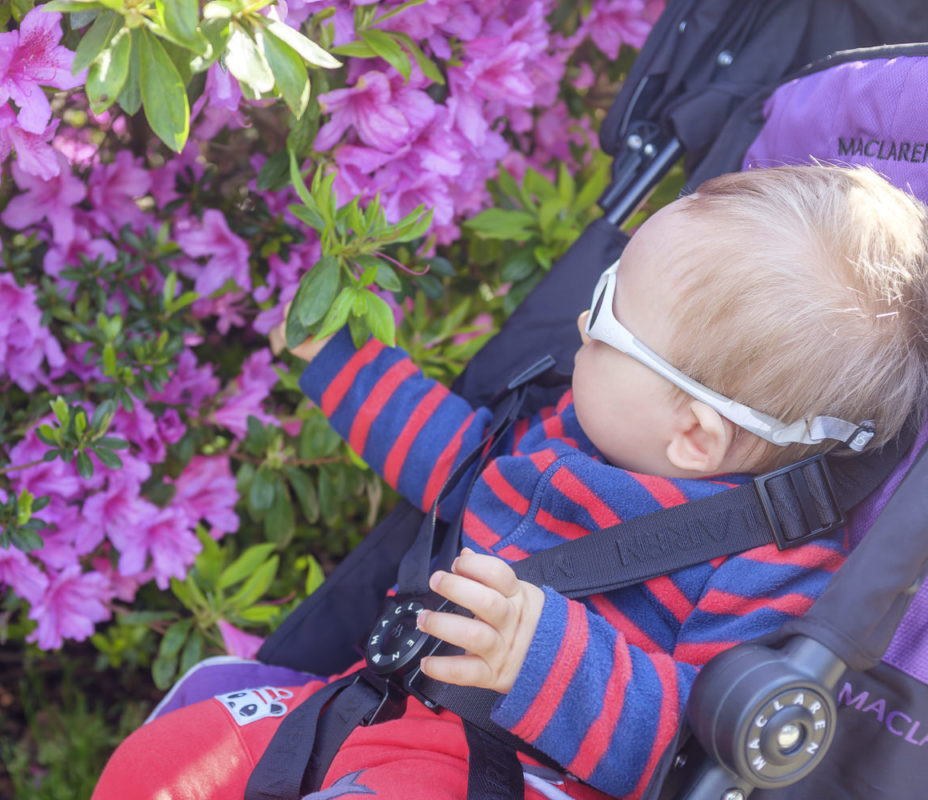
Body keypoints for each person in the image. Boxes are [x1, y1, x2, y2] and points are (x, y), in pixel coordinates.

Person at [92, 165, 928, 800]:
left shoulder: (767, 566)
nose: (579, 326)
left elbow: (690, 747)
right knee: (161, 764)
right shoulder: (577, 433)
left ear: (696, 434)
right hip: (382, 705)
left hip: (507, 771)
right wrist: (341, 363)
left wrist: (547, 656)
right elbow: (457, 467)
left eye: (606, 321)